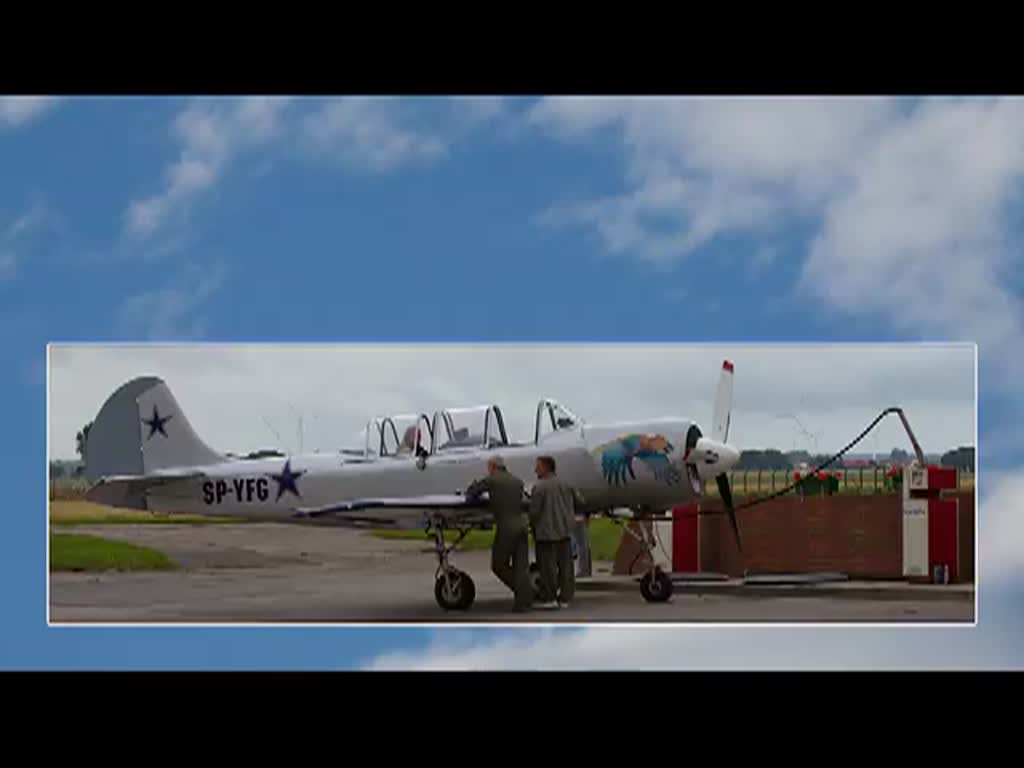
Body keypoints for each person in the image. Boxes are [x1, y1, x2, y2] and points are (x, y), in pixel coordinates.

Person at [465, 456, 531, 611]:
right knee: (521, 566)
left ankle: (524, 593)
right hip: (522, 525)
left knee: (498, 565)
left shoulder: (492, 479)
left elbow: (473, 493)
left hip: (507, 527)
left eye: (489, 467)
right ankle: (524, 600)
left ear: (493, 466)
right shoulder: (517, 481)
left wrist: (472, 488)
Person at [528, 455, 582, 609]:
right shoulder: (567, 484)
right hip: (565, 532)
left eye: (537, 466)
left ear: (545, 467)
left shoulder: (539, 487)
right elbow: (580, 502)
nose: (535, 469)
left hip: (546, 535)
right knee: (566, 567)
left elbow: (534, 513)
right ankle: (566, 598)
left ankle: (549, 598)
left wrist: (531, 526)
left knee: (547, 568)